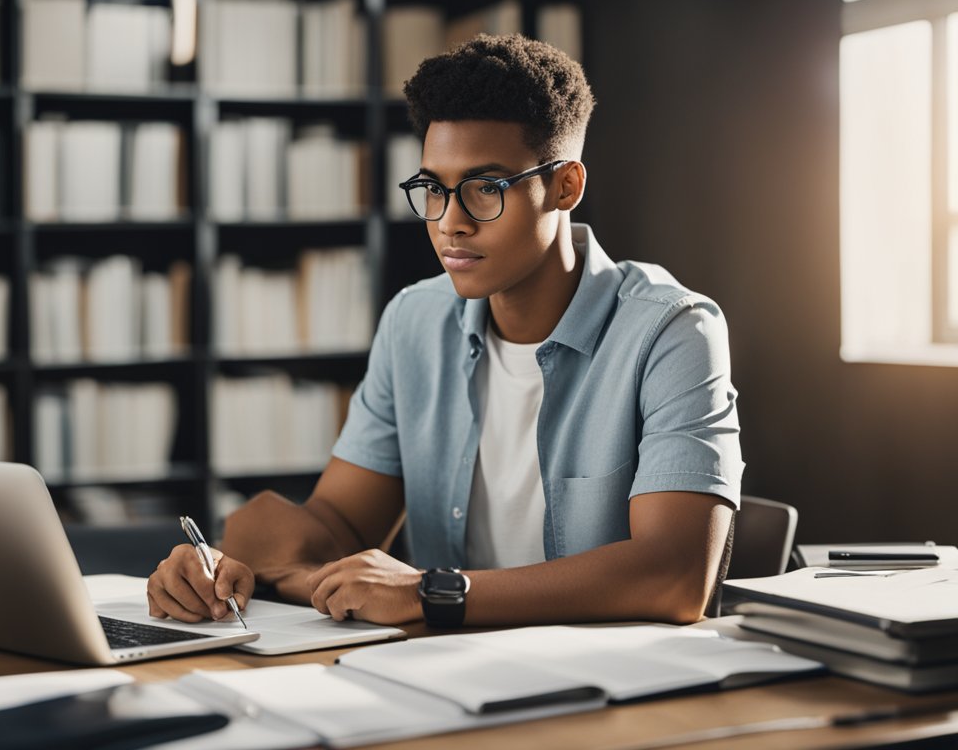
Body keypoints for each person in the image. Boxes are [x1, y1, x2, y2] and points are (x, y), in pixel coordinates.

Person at [147, 33, 741, 629]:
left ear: (566, 186)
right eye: (433, 188)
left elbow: (676, 576)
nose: (450, 223)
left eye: (486, 188)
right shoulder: (415, 320)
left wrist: (432, 592)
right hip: (441, 672)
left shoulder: (672, 331)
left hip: (617, 687)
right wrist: (224, 563)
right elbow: (339, 523)